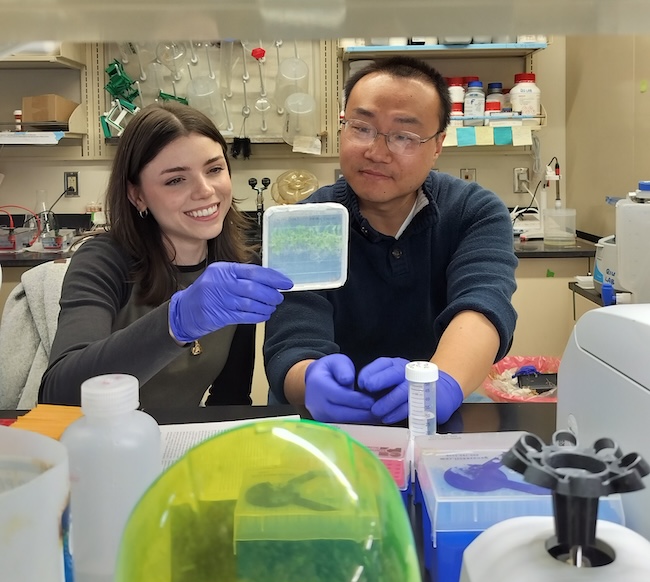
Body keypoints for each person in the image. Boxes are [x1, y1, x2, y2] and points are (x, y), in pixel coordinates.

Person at [264, 56, 518, 426]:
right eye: (361, 127)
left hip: (429, 418)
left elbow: (481, 307)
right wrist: (310, 382)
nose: (376, 152)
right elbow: (293, 340)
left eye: (403, 136)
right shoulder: (306, 221)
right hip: (321, 425)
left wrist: (440, 383)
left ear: (437, 145)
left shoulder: (472, 211)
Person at [39, 102, 292, 409]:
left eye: (214, 169)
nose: (205, 191)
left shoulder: (238, 267)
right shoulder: (103, 261)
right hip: (102, 445)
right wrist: (175, 322)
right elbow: (58, 394)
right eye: (175, 180)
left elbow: (230, 397)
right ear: (137, 195)